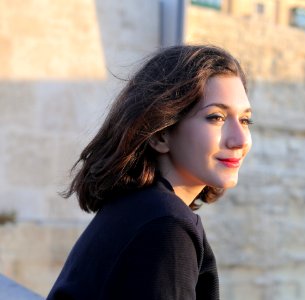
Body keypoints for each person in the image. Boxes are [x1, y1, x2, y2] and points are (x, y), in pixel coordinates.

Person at [47, 45, 253, 300]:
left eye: (245, 120)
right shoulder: (164, 226)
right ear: (160, 134)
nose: (240, 140)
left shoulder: (139, 207)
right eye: (216, 117)